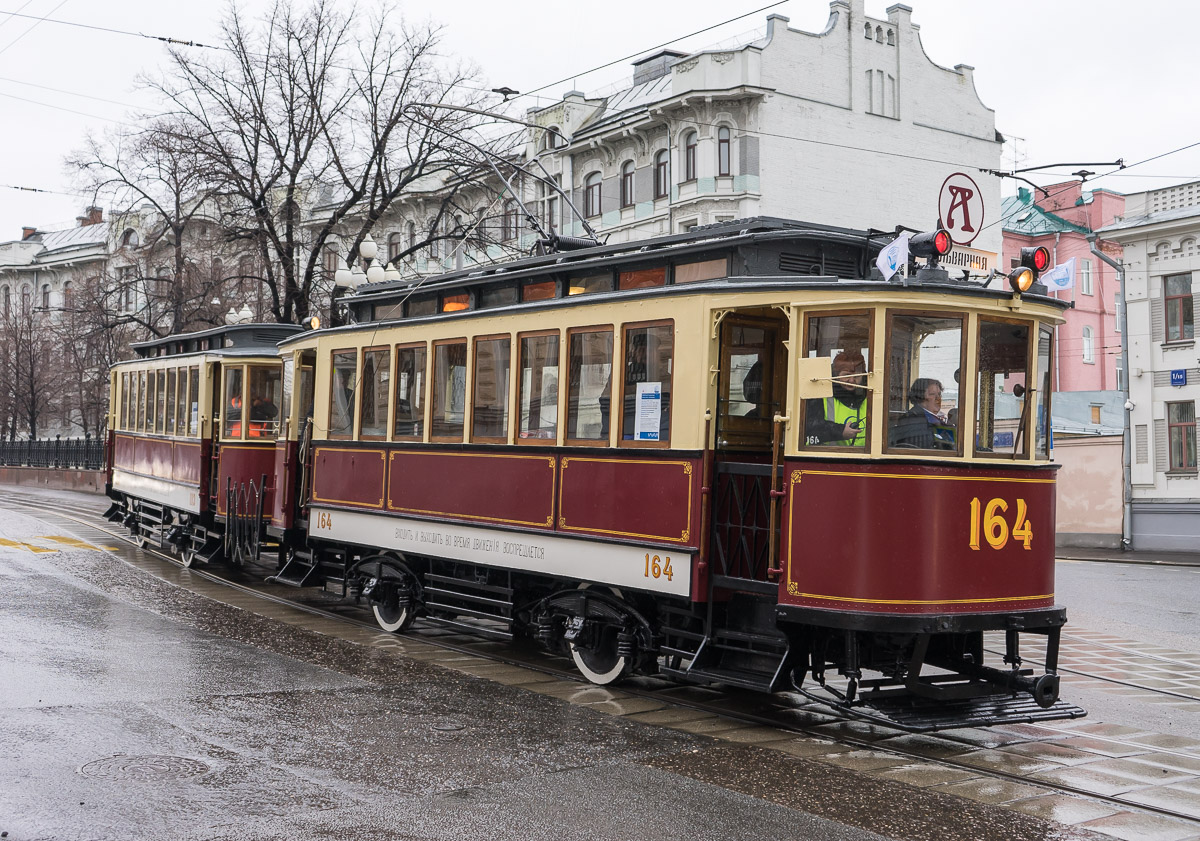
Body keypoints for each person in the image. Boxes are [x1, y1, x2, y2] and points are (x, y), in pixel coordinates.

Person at [804, 350, 867, 446]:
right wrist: (840, 431)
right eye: (847, 375)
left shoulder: (871, 397)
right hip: (828, 454)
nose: (851, 380)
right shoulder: (821, 397)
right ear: (836, 375)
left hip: (866, 455)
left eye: (857, 376)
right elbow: (811, 427)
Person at [889, 377, 955, 450]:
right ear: (920, 397)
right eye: (932, 394)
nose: (937, 398)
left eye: (939, 394)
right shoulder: (913, 419)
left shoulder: (938, 419)